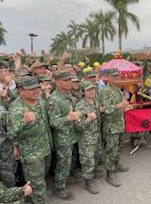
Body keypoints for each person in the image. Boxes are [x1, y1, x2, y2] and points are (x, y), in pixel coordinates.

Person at [8, 76, 52, 203]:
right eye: (31, 89)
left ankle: (37, 195)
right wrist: (24, 122)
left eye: (37, 87)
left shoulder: (41, 102)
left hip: (45, 147)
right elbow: (11, 134)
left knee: (41, 178)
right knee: (36, 183)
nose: (36, 91)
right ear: (21, 91)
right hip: (31, 154)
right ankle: (39, 199)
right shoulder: (15, 108)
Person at [46, 70, 79, 200]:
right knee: (63, 163)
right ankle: (60, 187)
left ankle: (67, 177)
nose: (70, 82)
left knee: (69, 160)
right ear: (58, 82)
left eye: (70, 80)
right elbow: (53, 122)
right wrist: (68, 119)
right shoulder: (54, 99)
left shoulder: (68, 95)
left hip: (72, 133)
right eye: (66, 80)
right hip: (62, 138)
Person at [100, 68, 129, 187]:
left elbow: (118, 106)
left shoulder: (117, 89)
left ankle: (116, 164)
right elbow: (105, 109)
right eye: (114, 76)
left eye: (117, 76)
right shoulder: (105, 91)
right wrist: (119, 105)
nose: (116, 78)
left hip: (119, 124)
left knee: (119, 147)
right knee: (111, 150)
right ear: (108, 77)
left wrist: (124, 107)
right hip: (111, 126)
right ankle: (110, 173)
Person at [75, 81, 102, 194]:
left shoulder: (96, 101)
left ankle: (93, 172)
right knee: (87, 160)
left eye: (93, 89)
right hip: (86, 138)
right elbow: (78, 126)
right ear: (83, 92)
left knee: (96, 156)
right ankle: (88, 181)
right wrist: (88, 119)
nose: (92, 91)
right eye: (88, 90)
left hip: (96, 135)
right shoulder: (80, 105)